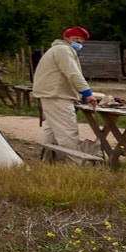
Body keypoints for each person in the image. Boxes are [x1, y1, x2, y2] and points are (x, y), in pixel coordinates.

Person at [32, 25, 95, 158]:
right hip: (57, 96)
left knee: (52, 134)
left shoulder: (59, 50)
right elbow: (73, 73)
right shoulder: (63, 50)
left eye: (82, 40)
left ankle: (47, 163)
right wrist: (87, 93)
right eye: (76, 39)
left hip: (53, 94)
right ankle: (73, 167)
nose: (79, 42)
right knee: (68, 133)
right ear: (66, 38)